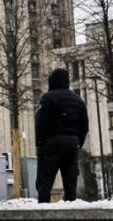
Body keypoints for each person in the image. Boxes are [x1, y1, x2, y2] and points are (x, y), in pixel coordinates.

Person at [34, 67, 88, 203]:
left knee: (45, 182)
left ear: (51, 81)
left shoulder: (47, 98)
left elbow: (41, 123)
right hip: (72, 143)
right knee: (70, 183)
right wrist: (78, 142)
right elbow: (84, 125)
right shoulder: (78, 100)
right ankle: (70, 210)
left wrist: (40, 144)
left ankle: (43, 210)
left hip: (52, 142)